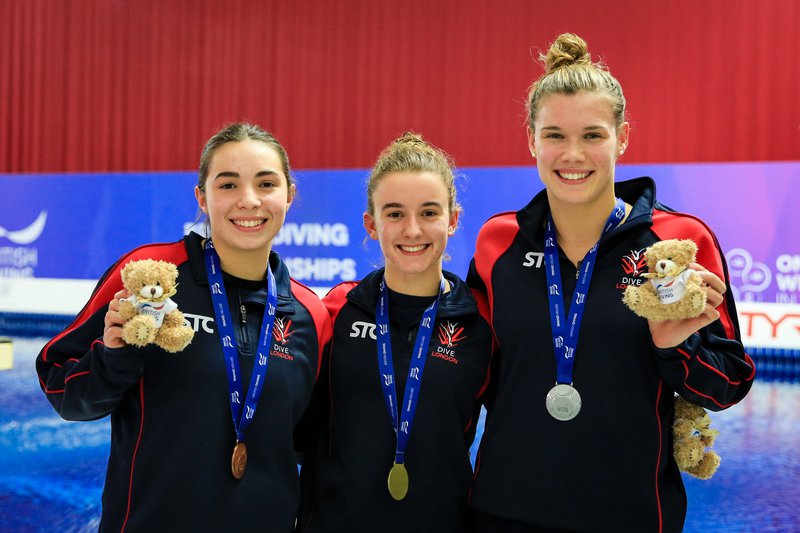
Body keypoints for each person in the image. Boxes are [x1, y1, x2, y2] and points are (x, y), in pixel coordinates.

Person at [465, 34, 755, 533]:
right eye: (554, 135)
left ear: (622, 138)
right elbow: (473, 380)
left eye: (593, 135)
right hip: (504, 508)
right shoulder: (498, 242)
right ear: (531, 139)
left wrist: (674, 349)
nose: (572, 154)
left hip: (632, 512)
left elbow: (729, 384)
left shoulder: (677, 240)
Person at [35, 122, 331, 532]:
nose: (248, 201)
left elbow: (309, 441)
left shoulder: (309, 314)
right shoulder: (145, 276)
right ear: (202, 198)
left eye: (266, 184)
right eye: (227, 185)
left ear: (289, 196)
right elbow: (63, 390)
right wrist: (113, 358)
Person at [296, 133, 495, 532]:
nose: (412, 230)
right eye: (394, 214)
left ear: (453, 220)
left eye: (429, 212)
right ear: (371, 224)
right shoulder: (338, 310)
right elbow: (295, 425)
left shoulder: (482, 322)